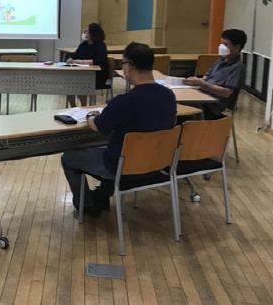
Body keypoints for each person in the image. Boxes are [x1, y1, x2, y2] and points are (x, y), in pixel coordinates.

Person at [61, 42, 177, 216]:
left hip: (123, 167)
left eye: (122, 64)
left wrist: (91, 116)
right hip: (156, 163)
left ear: (128, 67)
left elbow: (97, 126)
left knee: (69, 158)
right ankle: (101, 196)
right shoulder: (169, 96)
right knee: (115, 148)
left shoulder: (124, 101)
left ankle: (87, 205)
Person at [183, 29, 247, 119]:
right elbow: (206, 78)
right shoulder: (220, 60)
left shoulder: (238, 67)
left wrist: (201, 83)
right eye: (221, 43)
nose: (221, 47)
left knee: (179, 108)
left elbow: (226, 93)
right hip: (202, 97)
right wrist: (194, 81)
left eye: (226, 44)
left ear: (237, 48)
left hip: (212, 107)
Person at [66, 23, 109, 107]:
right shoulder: (83, 44)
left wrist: (82, 62)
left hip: (97, 76)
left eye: (87, 32)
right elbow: (75, 55)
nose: (85, 34)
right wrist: (71, 59)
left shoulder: (101, 45)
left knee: (81, 83)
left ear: (93, 33)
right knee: (69, 84)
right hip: (82, 73)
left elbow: (100, 61)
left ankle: (83, 107)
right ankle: (73, 107)